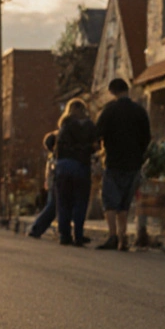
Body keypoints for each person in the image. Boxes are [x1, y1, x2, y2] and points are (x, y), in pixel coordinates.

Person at [95, 78, 151, 251]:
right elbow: (147, 137)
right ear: (127, 89)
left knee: (111, 201)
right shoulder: (139, 111)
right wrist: (139, 154)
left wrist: (101, 147)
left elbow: (97, 133)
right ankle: (122, 236)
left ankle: (113, 236)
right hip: (133, 163)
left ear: (112, 92)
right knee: (125, 203)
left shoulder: (109, 110)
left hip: (113, 161)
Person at [53, 98, 97, 246]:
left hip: (64, 166)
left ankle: (64, 235)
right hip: (82, 166)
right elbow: (95, 146)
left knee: (64, 202)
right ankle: (78, 235)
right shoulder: (90, 126)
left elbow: (55, 145)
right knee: (80, 202)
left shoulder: (64, 124)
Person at [27, 130, 60, 239]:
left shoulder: (52, 156)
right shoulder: (55, 156)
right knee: (52, 207)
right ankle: (36, 228)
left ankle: (37, 229)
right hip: (55, 183)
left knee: (53, 207)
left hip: (51, 183)